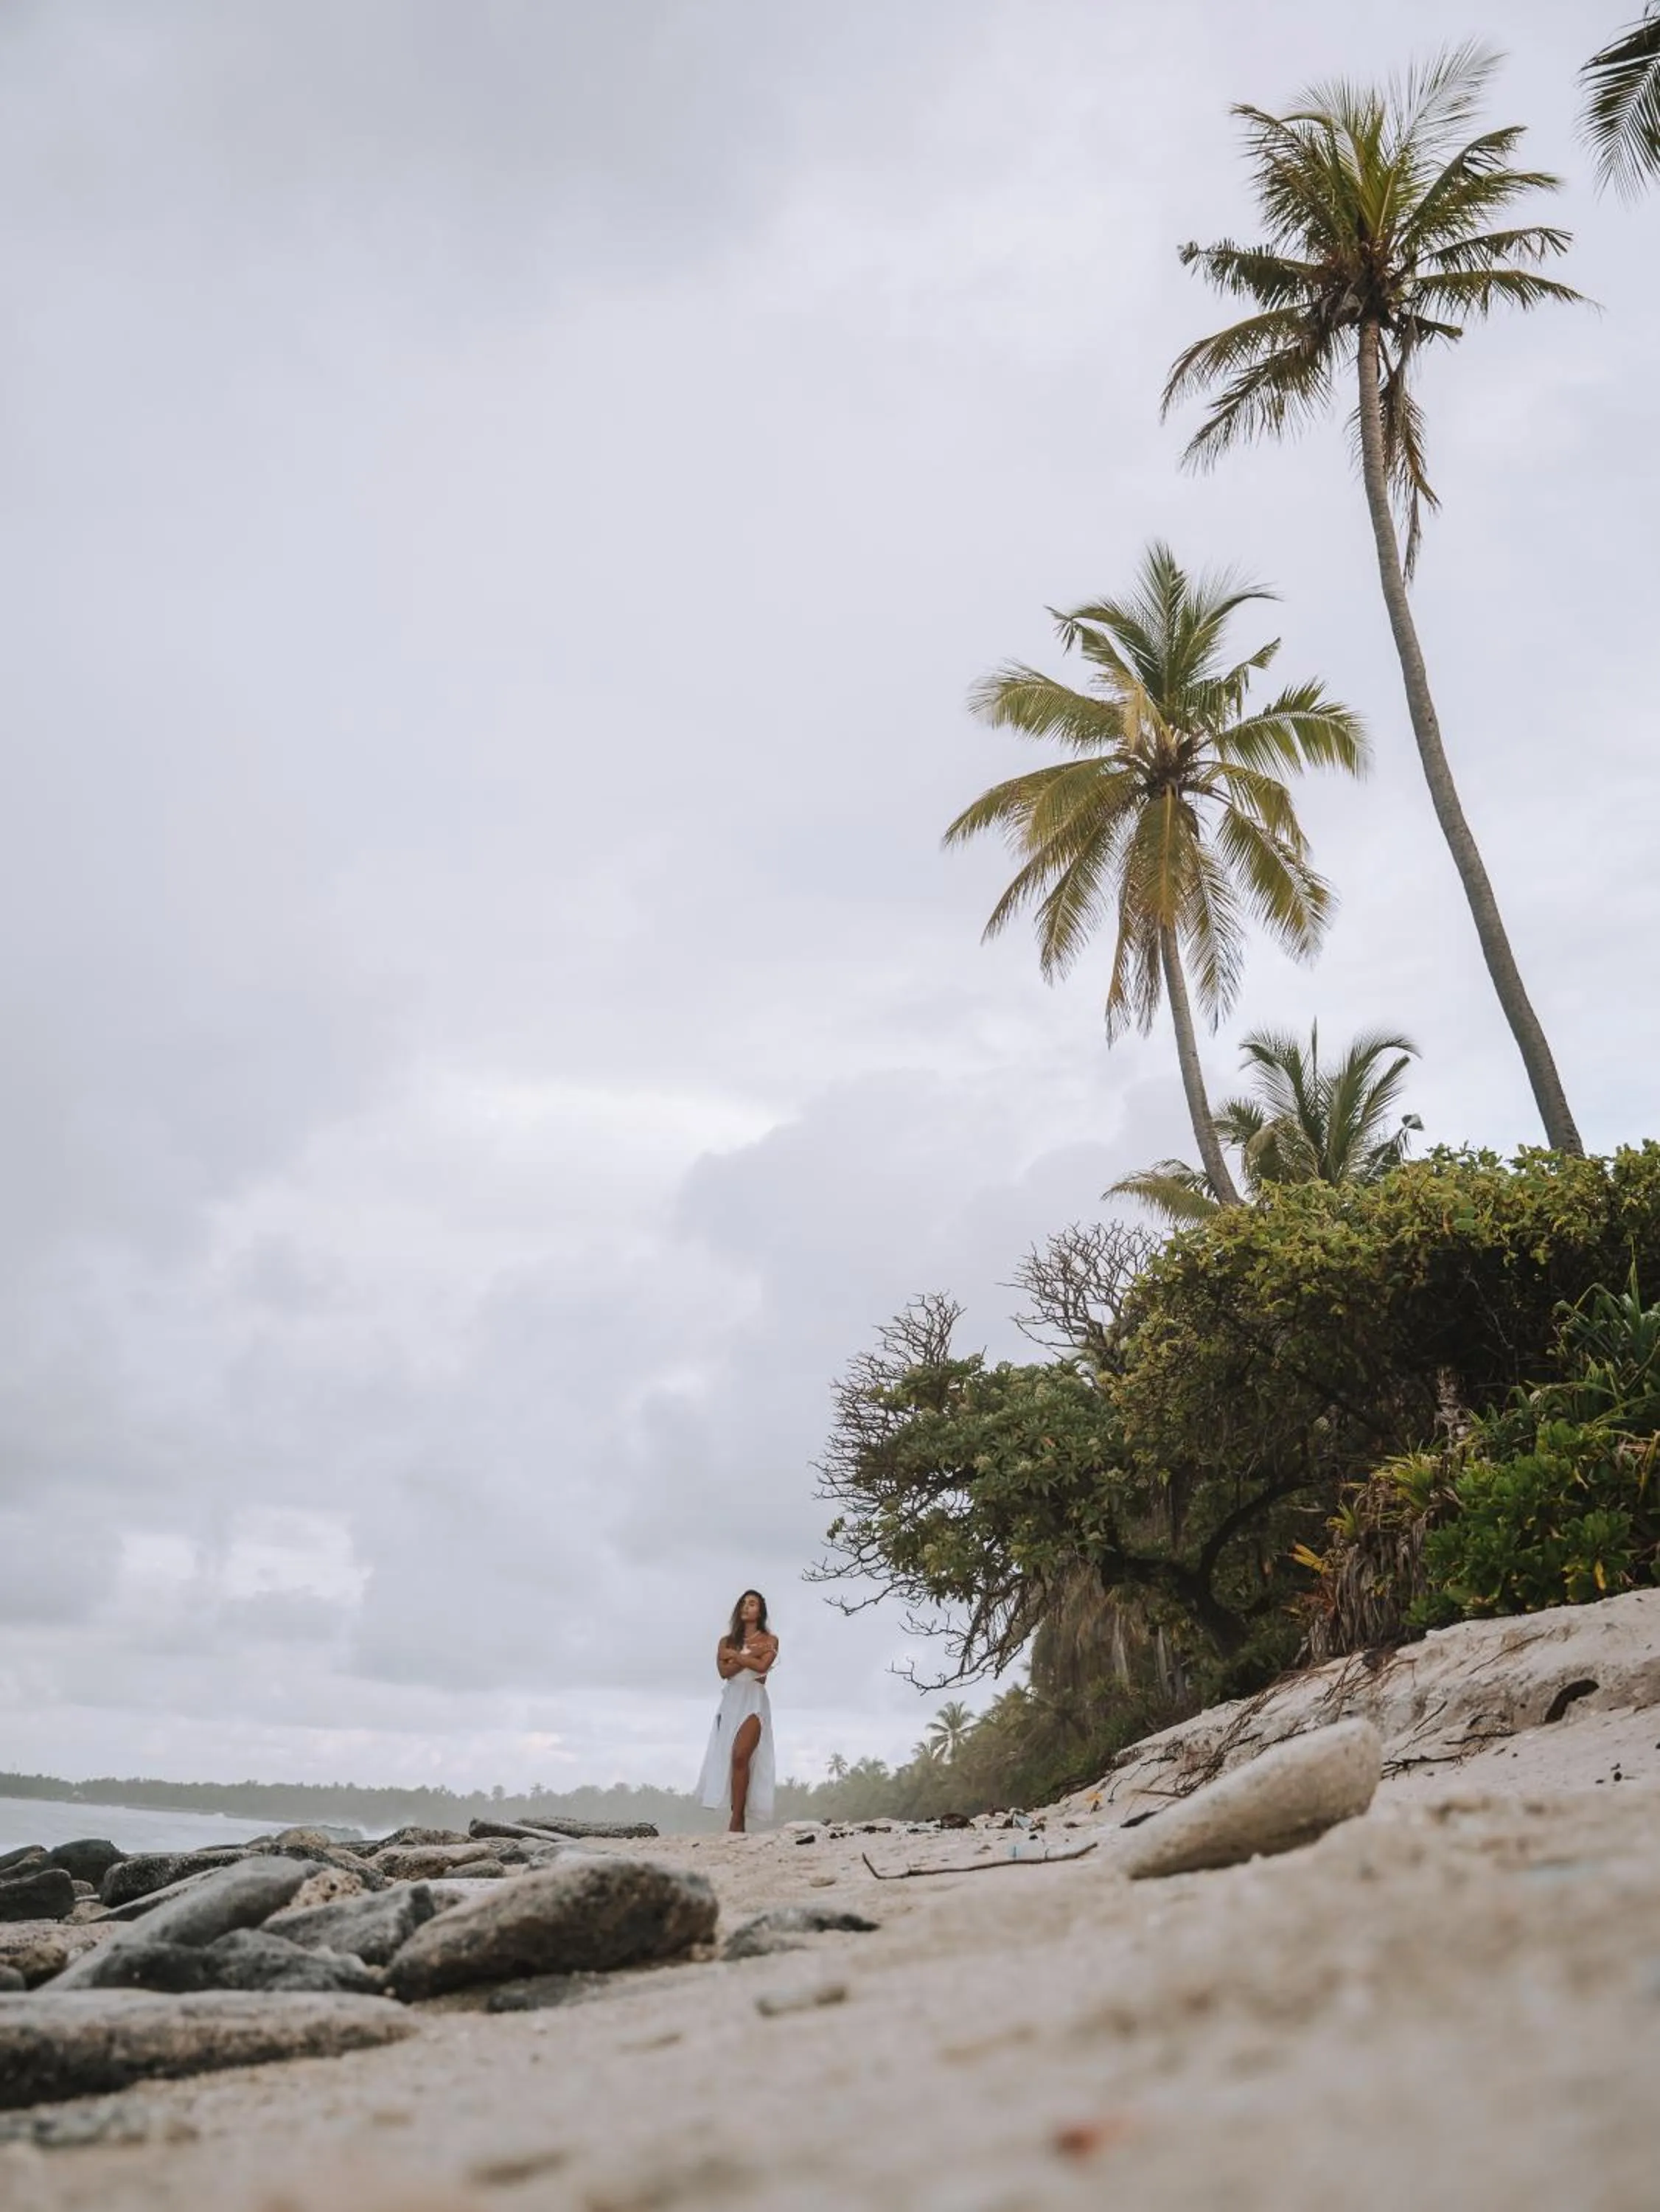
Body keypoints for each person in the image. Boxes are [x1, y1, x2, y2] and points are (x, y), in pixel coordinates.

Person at [697, 1589, 777, 1833]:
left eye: (752, 1604)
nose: (746, 1607)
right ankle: (737, 1819)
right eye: (743, 1603)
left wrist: (736, 1657)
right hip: (731, 1701)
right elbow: (724, 1672)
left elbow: (763, 1666)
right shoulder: (726, 1641)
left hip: (754, 1700)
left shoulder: (770, 1640)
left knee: (742, 1755)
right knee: (731, 1759)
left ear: (760, 1610)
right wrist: (748, 1654)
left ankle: (737, 1820)